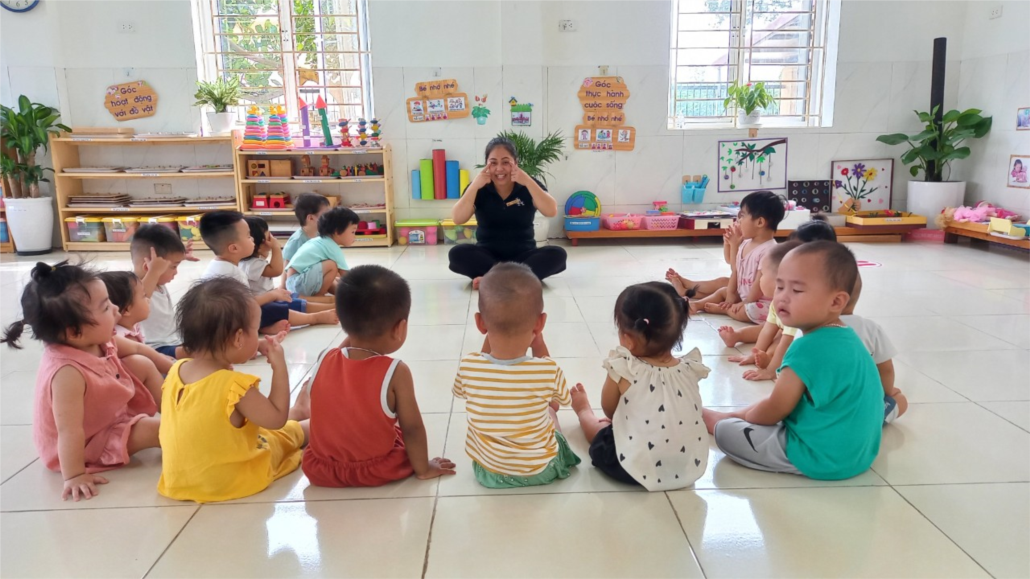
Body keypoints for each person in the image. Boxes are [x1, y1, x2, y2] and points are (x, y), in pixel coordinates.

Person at [703, 242, 884, 480]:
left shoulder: (806, 347)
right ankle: (729, 417)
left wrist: (741, 420)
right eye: (780, 287)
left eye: (797, 290)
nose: (782, 298)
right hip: (859, 456)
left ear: (836, 302)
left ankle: (719, 421)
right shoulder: (849, 338)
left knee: (728, 432)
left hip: (819, 457)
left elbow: (775, 409)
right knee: (762, 410)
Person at [1, 262, 163, 501]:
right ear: (74, 332)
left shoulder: (95, 338)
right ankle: (187, 430)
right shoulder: (67, 372)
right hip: (89, 441)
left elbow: (139, 348)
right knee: (157, 430)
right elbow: (69, 430)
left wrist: (175, 367)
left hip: (106, 414)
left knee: (141, 363)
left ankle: (179, 409)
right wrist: (74, 474)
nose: (116, 309)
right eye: (106, 307)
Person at [157, 277, 310, 503]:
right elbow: (276, 418)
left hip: (178, 481)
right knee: (281, 435)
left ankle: (297, 412)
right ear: (238, 338)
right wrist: (280, 367)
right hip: (229, 480)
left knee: (252, 427)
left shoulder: (176, 370)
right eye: (256, 331)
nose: (258, 337)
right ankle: (309, 423)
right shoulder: (234, 386)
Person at [302, 265, 456, 487]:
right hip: (374, 470)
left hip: (321, 470)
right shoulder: (396, 371)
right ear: (400, 328)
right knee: (400, 432)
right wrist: (424, 468)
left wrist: (353, 331)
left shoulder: (324, 357)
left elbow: (344, 356)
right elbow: (412, 428)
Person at [570, 282, 710, 490]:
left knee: (601, 434)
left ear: (628, 340)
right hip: (684, 463)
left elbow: (610, 410)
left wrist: (619, 421)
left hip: (630, 467)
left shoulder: (624, 367)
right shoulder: (690, 369)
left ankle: (583, 411)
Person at [452, 263, 581, 488]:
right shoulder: (548, 370)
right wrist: (538, 344)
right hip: (541, 470)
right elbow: (559, 402)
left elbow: (461, 392)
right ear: (540, 323)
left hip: (489, 473)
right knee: (551, 410)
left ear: (480, 323)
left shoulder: (468, 365)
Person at [448, 138, 567, 288]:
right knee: (457, 253)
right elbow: (458, 218)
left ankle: (492, 278)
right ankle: (518, 278)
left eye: (505, 162)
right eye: (493, 163)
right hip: (487, 255)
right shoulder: (479, 187)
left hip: (523, 256)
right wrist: (474, 186)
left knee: (558, 254)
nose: (499, 168)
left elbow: (551, 210)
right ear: (486, 164)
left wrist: (527, 181)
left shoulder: (528, 184)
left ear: (515, 163)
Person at [199, 210, 337, 334]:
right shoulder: (233, 273)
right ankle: (314, 318)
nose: (252, 239)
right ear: (234, 248)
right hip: (231, 325)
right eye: (248, 236)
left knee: (283, 300)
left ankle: (266, 327)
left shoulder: (220, 266)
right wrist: (272, 295)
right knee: (275, 309)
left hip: (230, 319)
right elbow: (248, 305)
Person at [668, 191, 784, 321]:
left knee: (752, 310)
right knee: (723, 290)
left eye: (742, 216)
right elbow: (735, 269)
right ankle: (697, 305)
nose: (739, 220)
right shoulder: (746, 243)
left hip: (760, 301)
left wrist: (746, 302)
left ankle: (725, 310)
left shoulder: (770, 251)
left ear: (760, 222)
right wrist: (730, 294)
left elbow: (758, 285)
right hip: (744, 295)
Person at [722, 241, 803, 382]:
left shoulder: (794, 309)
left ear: (779, 281)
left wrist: (770, 372)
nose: (759, 279)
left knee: (780, 342)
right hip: (788, 336)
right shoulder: (776, 303)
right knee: (774, 334)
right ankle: (765, 357)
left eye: (763, 274)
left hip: (805, 345)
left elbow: (787, 343)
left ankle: (771, 361)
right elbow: (767, 330)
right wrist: (753, 354)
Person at [239, 216, 339, 323]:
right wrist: (276, 248)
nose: (273, 239)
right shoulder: (251, 265)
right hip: (266, 302)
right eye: (269, 237)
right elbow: (276, 270)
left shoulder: (252, 261)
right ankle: (330, 310)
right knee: (297, 304)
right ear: (260, 245)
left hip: (270, 295)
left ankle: (333, 301)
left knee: (295, 297)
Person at [841, 279, 908, 424]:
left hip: (822, 411)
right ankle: (873, 422)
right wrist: (887, 393)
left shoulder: (808, 332)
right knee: (901, 400)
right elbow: (886, 369)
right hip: (862, 410)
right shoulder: (870, 328)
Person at [131, 224, 189, 359]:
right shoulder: (135, 287)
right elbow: (139, 300)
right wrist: (154, 272)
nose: (176, 272)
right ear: (149, 267)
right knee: (199, 351)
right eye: (173, 267)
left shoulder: (158, 281)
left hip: (173, 342)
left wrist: (179, 257)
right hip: (155, 348)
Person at [285, 207, 360, 298]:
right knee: (331, 266)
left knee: (333, 275)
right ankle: (319, 296)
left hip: (293, 283)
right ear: (337, 231)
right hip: (298, 284)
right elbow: (346, 275)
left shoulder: (320, 241)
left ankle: (344, 295)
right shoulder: (332, 247)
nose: (354, 236)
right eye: (353, 232)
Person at [280, 193, 332, 294]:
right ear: (311, 218)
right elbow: (287, 265)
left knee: (336, 276)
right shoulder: (297, 240)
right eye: (326, 215)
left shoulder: (319, 234)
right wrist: (283, 287)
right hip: (300, 281)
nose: (330, 218)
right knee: (332, 269)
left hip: (313, 274)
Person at [98, 271, 151, 345]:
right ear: (126, 310)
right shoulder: (121, 338)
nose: (148, 300)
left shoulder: (134, 325)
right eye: (144, 295)